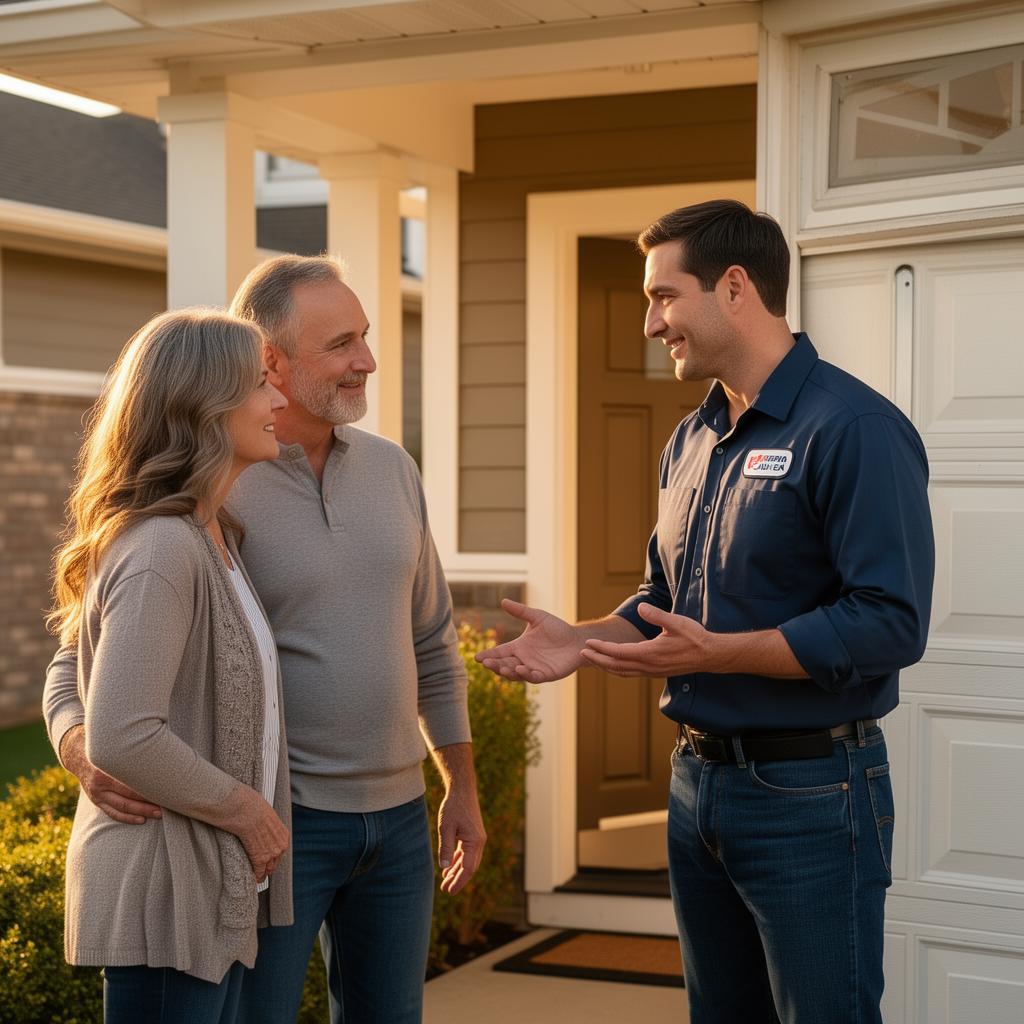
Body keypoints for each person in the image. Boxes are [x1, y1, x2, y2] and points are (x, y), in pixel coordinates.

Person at [477, 200, 934, 1024]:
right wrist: (582, 639)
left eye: (664, 296)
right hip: (696, 789)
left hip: (812, 793)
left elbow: (889, 622)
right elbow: (663, 602)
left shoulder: (854, 427)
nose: (651, 323)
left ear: (734, 288)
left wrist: (719, 654)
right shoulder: (691, 440)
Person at [45, 255, 485, 1024]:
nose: (367, 360)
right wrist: (87, 750)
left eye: (366, 336)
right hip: (280, 824)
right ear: (270, 362)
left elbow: (433, 642)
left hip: (398, 823)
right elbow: (82, 655)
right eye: (341, 343)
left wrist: (463, 787)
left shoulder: (391, 470)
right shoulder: (208, 490)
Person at [45, 309, 291, 1024]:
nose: (278, 400)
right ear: (204, 405)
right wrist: (250, 813)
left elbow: (77, 661)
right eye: (260, 383)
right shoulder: (163, 548)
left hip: (198, 889)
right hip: (162, 899)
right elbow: (125, 733)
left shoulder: (211, 534)